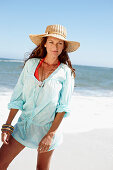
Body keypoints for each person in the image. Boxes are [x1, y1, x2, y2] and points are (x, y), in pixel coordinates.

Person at [0, 24, 80, 170]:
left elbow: (63, 108)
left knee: (41, 168)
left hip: (48, 128)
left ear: (64, 47)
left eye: (59, 43)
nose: (55, 46)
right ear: (44, 43)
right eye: (51, 42)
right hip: (24, 126)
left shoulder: (66, 72)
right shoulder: (31, 65)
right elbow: (18, 97)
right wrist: (8, 125)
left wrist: (50, 135)